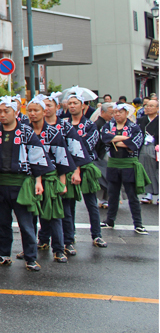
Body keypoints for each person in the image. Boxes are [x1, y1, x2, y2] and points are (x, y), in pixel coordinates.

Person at [0, 96, 55, 272]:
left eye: (6, 111)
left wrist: (38, 181)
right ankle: (4, 255)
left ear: (16, 112)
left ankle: (30, 258)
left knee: (25, 223)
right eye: (0, 111)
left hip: (20, 183)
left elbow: (37, 157)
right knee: (2, 223)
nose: (2, 115)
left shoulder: (26, 132)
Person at [27, 96, 73, 264]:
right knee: (30, 216)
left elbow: (62, 158)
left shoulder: (54, 132)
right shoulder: (24, 130)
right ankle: (29, 248)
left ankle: (59, 249)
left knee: (54, 215)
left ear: (43, 112)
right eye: (30, 111)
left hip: (51, 177)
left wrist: (62, 182)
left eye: (36, 110)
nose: (33, 114)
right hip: (30, 179)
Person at [61, 94, 108, 250]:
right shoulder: (63, 124)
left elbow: (87, 146)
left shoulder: (90, 125)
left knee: (91, 203)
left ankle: (97, 235)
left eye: (75, 103)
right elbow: (60, 145)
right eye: (70, 103)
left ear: (83, 106)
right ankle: (69, 235)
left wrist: (73, 143)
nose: (72, 106)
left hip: (86, 165)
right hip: (67, 167)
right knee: (68, 203)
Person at [100, 103, 150, 235]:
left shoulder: (134, 127)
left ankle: (138, 224)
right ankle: (110, 220)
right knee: (112, 194)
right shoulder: (109, 125)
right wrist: (124, 139)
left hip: (128, 163)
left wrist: (115, 140)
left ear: (126, 113)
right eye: (115, 112)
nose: (117, 114)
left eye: (120, 112)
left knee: (132, 195)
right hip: (113, 163)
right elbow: (105, 138)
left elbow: (134, 143)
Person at [93, 102, 115, 208]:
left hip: (104, 153)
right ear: (102, 112)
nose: (112, 116)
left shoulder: (106, 124)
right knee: (105, 177)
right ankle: (106, 199)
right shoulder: (98, 124)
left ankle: (106, 199)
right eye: (110, 113)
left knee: (107, 176)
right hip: (101, 154)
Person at [137, 98, 159, 204]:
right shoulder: (142, 120)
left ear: (157, 108)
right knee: (145, 169)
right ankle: (148, 193)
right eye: (147, 106)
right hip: (144, 147)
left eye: (151, 106)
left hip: (156, 147)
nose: (148, 108)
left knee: (157, 170)